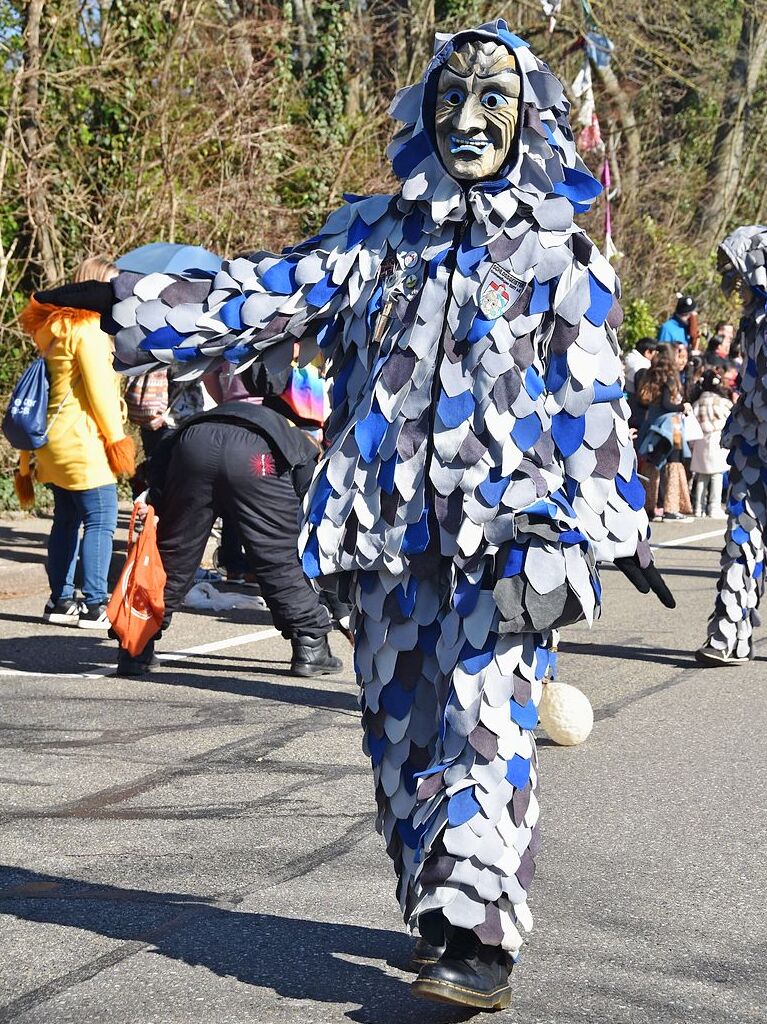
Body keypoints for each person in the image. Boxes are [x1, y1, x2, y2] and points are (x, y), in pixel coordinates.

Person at [37, 20, 674, 1010]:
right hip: (382, 540)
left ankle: (477, 931)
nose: (465, 119)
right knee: (399, 740)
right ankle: (437, 896)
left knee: (482, 724)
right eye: (448, 99)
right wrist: (129, 301)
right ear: (423, 113)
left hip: (504, 543)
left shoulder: (561, 256)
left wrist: (607, 527)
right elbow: (269, 291)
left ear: (528, 119)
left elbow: (593, 406)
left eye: (490, 101)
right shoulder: (377, 239)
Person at [120, 397, 342, 678]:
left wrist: (160, 499)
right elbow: (307, 509)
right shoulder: (303, 449)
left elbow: (161, 469)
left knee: (172, 558)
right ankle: (310, 646)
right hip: (255, 458)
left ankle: (135, 646)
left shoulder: (266, 423)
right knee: (278, 557)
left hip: (192, 446)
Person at [16, 257, 135, 628]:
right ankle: (97, 604)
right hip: (84, 442)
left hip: (50, 443)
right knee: (100, 519)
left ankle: (61, 601)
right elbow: (100, 394)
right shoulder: (90, 332)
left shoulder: (53, 328)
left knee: (66, 520)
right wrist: (118, 441)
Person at [697, 226, 767, 666]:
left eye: (737, 273)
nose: (732, 285)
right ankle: (729, 635)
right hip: (754, 445)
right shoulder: (751, 322)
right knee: (741, 538)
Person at [636, 344, 693, 521]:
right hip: (670, 426)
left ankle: (648, 507)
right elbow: (667, 405)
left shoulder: (648, 375)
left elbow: (644, 402)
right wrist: (682, 406)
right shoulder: (669, 378)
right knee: (673, 463)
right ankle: (671, 508)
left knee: (652, 464)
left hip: (652, 425)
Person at [689, 368, 732, 518]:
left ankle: (698, 507)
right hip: (716, 438)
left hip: (700, 439)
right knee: (716, 474)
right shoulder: (722, 402)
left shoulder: (696, 403)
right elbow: (730, 417)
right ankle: (714, 507)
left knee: (702, 475)